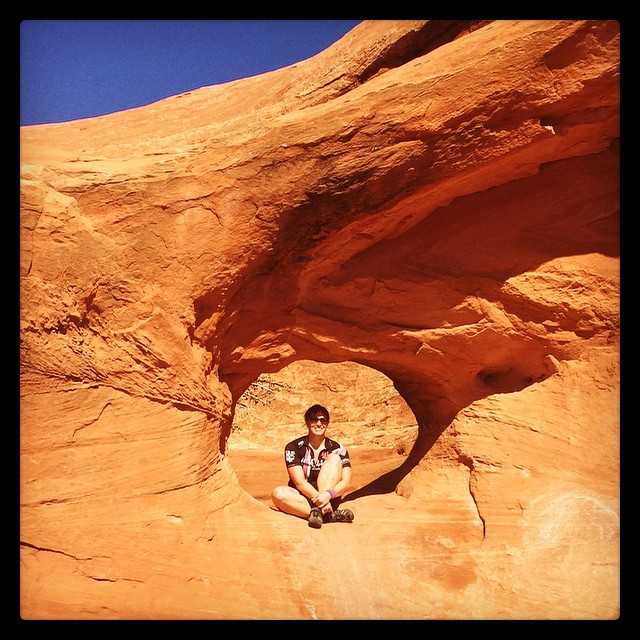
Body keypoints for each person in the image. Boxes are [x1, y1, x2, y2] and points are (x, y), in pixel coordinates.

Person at [271, 404, 355, 529]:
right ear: (307, 422)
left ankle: (318, 513)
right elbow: (299, 482)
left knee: (334, 458)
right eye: (314, 419)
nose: (319, 423)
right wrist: (320, 502)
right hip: (303, 497)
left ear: (327, 423)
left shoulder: (338, 449)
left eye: (323, 420)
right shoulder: (293, 448)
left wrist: (327, 496)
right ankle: (326, 514)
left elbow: (346, 481)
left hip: (329, 497)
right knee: (278, 494)